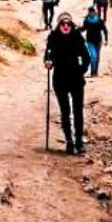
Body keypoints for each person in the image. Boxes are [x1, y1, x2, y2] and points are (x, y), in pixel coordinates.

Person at [44, 12, 90, 154]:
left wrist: (80, 71)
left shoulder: (77, 36)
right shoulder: (53, 37)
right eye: (62, 24)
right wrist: (47, 62)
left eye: (68, 24)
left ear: (71, 24)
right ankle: (69, 141)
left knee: (78, 111)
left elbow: (86, 57)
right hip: (60, 79)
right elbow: (48, 54)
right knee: (65, 111)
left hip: (76, 80)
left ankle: (79, 141)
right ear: (59, 25)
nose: (65, 26)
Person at [82, 5, 106, 77]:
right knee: (93, 56)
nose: (91, 13)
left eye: (92, 12)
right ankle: (92, 72)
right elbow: (84, 29)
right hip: (90, 41)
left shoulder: (99, 20)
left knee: (97, 57)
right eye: (90, 12)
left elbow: (104, 30)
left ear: (94, 12)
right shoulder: (86, 21)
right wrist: (77, 29)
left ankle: (96, 72)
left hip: (98, 41)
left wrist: (106, 39)